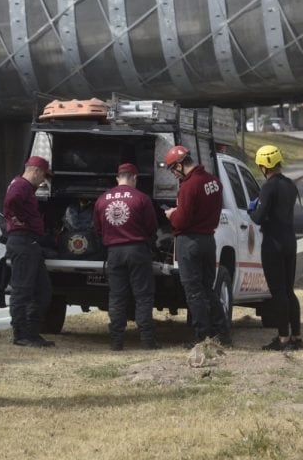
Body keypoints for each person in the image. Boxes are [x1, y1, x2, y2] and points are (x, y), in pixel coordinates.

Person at [163, 146, 231, 348]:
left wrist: (171, 215)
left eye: (172, 169)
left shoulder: (189, 186)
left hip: (189, 242)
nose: (174, 174)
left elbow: (182, 220)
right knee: (208, 289)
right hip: (209, 240)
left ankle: (202, 336)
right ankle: (223, 332)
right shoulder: (213, 182)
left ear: (179, 164)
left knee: (193, 291)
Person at [93, 163, 159, 351]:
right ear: (134, 178)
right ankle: (147, 340)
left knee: (117, 296)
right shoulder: (141, 198)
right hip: (137, 250)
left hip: (113, 252)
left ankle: (116, 341)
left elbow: (97, 228)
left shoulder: (102, 199)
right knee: (143, 295)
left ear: (118, 178)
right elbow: (152, 227)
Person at [248, 145, 303, 351]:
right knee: (289, 291)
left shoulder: (268, 187)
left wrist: (251, 210)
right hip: (290, 241)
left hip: (273, 244)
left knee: (278, 293)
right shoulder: (290, 184)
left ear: (264, 166)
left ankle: (283, 338)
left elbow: (259, 217)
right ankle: (297, 337)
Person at [3, 155, 55, 348]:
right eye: (43, 176)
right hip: (22, 241)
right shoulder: (21, 186)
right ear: (36, 171)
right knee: (23, 290)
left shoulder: (22, 186)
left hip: (29, 243)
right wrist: (18, 218)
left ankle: (32, 332)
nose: (43, 181)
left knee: (42, 290)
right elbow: (12, 201)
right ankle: (21, 334)